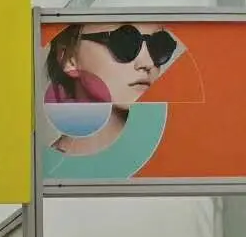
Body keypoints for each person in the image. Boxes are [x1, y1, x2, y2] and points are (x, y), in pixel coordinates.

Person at [44, 22, 176, 158]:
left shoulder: (172, 155)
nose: (148, 63)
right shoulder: (42, 165)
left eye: (160, 45)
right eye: (124, 42)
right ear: (69, 59)